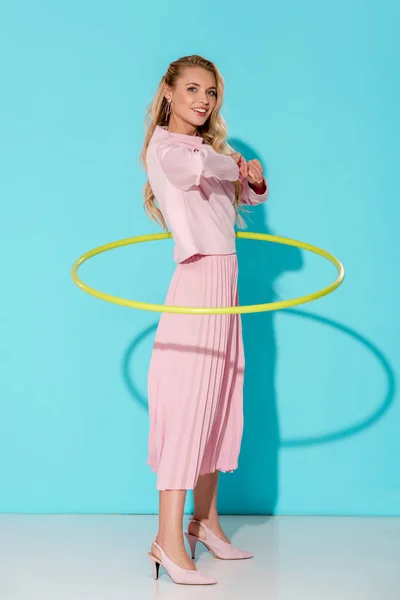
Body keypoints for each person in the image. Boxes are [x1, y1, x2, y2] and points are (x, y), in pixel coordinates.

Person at [140, 54, 269, 585]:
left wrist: (252, 178)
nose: (203, 101)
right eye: (192, 89)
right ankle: (167, 541)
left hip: (226, 281)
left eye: (211, 93)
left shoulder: (207, 151)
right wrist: (232, 161)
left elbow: (239, 194)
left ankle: (205, 522)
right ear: (168, 92)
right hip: (196, 282)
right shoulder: (168, 149)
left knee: (219, 402)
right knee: (188, 404)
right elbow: (203, 168)